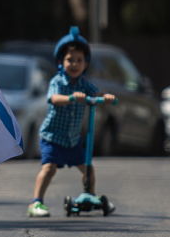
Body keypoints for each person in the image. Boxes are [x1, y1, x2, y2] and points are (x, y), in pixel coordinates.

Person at [27, 26, 116, 217]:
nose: (74, 64)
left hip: (72, 139)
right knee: (49, 168)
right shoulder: (57, 81)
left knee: (88, 167)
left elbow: (96, 93)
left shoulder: (84, 83)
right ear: (61, 61)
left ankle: (90, 196)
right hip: (52, 136)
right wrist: (71, 98)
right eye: (70, 60)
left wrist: (105, 97)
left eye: (79, 60)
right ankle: (36, 203)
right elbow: (53, 98)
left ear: (85, 63)